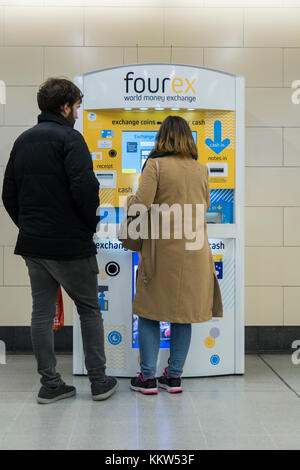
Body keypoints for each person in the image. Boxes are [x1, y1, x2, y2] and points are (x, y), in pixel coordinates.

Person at [2, 78, 118, 404]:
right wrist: (88, 226)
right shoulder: (70, 139)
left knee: (41, 313)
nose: (79, 114)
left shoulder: (23, 141)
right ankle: (98, 381)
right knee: (90, 309)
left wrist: (29, 227)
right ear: (65, 107)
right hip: (69, 245)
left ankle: (50, 384)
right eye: (78, 107)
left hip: (34, 246)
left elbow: (8, 193)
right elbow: (86, 190)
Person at [128, 116, 223, 395]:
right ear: (188, 139)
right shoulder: (201, 169)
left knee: (149, 312)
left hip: (162, 251)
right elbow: (204, 204)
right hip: (194, 252)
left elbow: (140, 205)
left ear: (162, 138)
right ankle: (174, 377)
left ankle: (146, 379)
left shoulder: (155, 165)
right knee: (183, 314)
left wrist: (130, 199)